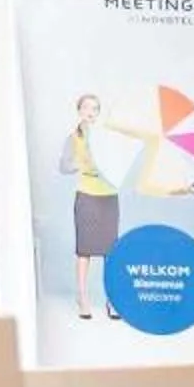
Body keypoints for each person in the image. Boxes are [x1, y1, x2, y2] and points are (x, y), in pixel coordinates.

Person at [54, 93, 123, 321]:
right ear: (79, 111)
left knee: (110, 250)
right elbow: (63, 166)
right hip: (86, 195)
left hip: (109, 195)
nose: (91, 112)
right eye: (87, 108)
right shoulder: (73, 138)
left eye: (95, 109)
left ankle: (112, 299)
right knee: (84, 249)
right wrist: (80, 163)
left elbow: (118, 163)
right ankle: (82, 297)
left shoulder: (108, 137)